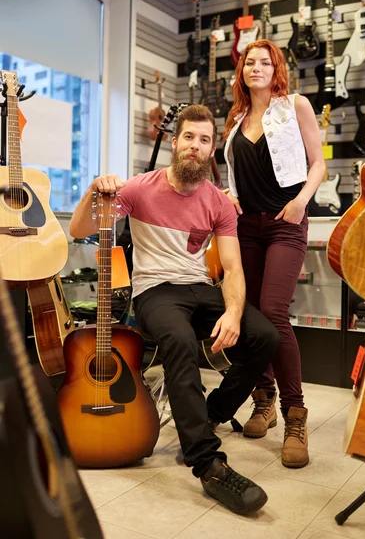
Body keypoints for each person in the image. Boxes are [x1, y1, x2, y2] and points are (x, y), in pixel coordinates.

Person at [69, 104, 280, 515]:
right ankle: (208, 464)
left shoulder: (218, 203)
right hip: (155, 291)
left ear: (212, 149)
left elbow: (233, 268)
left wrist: (234, 313)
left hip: (201, 287)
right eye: (189, 137)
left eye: (204, 140)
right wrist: (94, 189)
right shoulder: (138, 188)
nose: (195, 147)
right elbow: (79, 230)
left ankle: (209, 415)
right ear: (174, 141)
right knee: (179, 342)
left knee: (265, 337)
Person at [222, 39, 325, 469]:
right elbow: (233, 174)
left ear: (276, 68)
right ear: (241, 71)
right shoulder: (235, 117)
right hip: (246, 228)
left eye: (265, 62)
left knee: (274, 311)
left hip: (286, 221)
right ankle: (262, 398)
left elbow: (318, 163)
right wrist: (228, 192)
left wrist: (302, 201)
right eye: (250, 62)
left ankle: (295, 417)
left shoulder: (295, 105)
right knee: (248, 312)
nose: (256, 68)